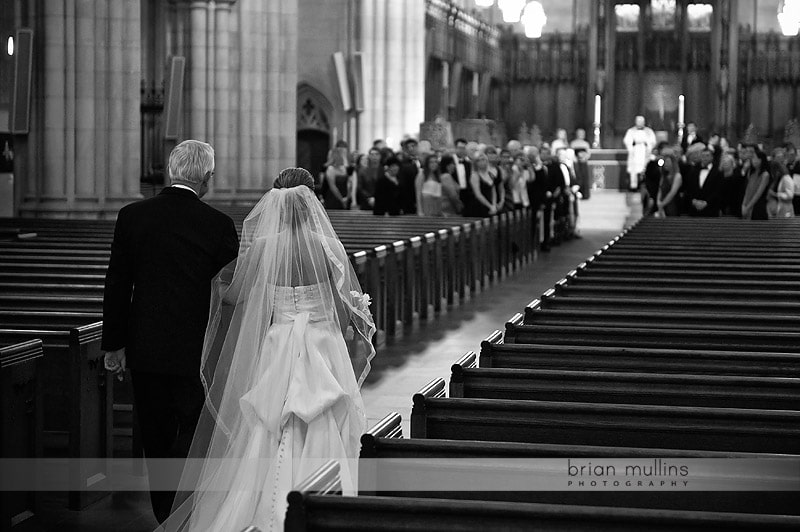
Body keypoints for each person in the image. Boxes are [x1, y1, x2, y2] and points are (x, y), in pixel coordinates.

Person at [163, 168, 375, 532]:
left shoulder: (264, 246)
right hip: (321, 344)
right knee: (325, 417)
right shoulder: (326, 246)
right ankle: (328, 500)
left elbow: (236, 296)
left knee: (270, 425)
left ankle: (262, 506)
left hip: (278, 343)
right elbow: (341, 315)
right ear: (311, 204)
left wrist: (206, 285)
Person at [101, 140, 239, 525]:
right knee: (194, 430)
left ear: (170, 171)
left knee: (155, 432)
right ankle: (188, 508)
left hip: (145, 346)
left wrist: (114, 344)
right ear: (207, 178)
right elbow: (232, 290)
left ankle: (165, 513)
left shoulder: (133, 216)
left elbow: (117, 283)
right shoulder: (218, 225)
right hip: (197, 348)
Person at [683, 147, 723, 217]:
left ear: (712, 157)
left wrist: (706, 203)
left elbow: (718, 191)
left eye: (707, 155)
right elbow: (688, 188)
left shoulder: (718, 172)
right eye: (703, 156)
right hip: (694, 210)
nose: (705, 158)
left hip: (711, 210)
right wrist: (694, 201)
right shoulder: (693, 171)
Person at [623, 115, 656, 192]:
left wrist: (649, 147)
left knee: (646, 168)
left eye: (641, 121)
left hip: (644, 151)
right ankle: (634, 186)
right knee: (634, 169)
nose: (640, 123)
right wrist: (630, 149)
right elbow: (627, 141)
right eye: (638, 121)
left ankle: (645, 184)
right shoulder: (631, 131)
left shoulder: (649, 131)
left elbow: (653, 141)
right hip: (635, 151)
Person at [741, 146, 770, 220]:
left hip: (758, 207)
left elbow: (758, 194)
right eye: (753, 159)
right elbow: (747, 191)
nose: (753, 161)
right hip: (747, 205)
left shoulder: (765, 175)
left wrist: (748, 207)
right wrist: (743, 205)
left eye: (755, 158)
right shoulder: (752, 173)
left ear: (761, 160)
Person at [655, 152, 682, 217]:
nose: (665, 164)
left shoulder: (677, 176)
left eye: (668, 162)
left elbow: (672, 192)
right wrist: (658, 202)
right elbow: (660, 189)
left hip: (672, 204)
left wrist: (662, 204)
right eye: (665, 162)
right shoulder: (664, 176)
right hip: (662, 204)